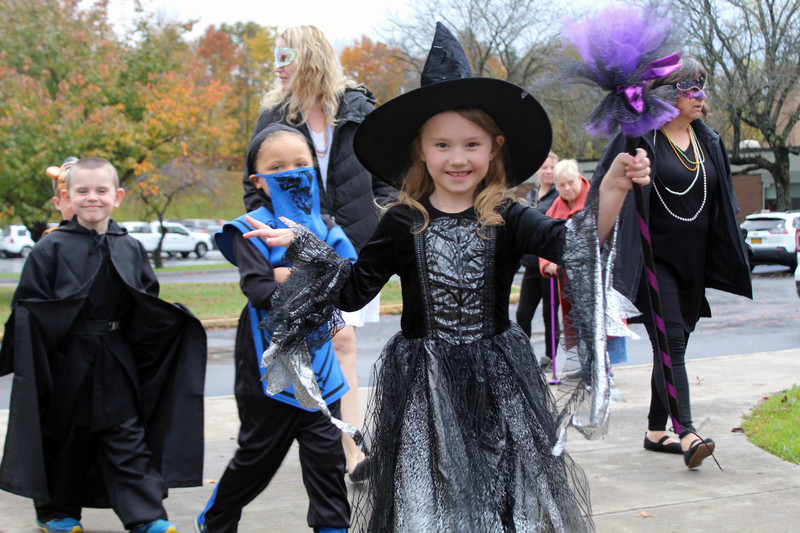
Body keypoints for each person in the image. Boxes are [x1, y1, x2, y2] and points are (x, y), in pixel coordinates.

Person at [243, 23, 651, 531]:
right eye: (442, 145)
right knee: (427, 494)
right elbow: (351, 289)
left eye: (471, 144)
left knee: (503, 489)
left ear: (494, 147)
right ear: (421, 150)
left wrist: (612, 189)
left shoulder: (508, 214)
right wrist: (308, 251)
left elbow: (574, 244)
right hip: (423, 387)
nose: (457, 159)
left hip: (498, 379)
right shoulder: (400, 222)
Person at [0, 157, 207, 533]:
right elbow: (28, 308)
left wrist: (172, 322)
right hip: (66, 361)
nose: (91, 198)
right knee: (65, 438)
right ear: (67, 196)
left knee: (127, 437)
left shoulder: (129, 247)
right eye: (82, 191)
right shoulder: (50, 249)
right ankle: (57, 512)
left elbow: (146, 301)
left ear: (117, 196)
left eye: (100, 191)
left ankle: (146, 518)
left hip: (116, 359)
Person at [242, 25, 394, 476]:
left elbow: (386, 174)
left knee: (343, 343)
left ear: (309, 56)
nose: (277, 65)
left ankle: (338, 443)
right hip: (299, 247)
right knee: (337, 339)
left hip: (352, 247)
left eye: (284, 55)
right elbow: (254, 190)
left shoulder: (359, 107)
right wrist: (272, 242)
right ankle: (348, 448)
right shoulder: (273, 116)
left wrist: (386, 223)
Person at [592, 56, 752, 468]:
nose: (701, 96)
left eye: (702, 85)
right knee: (673, 340)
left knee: (672, 341)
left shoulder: (708, 142)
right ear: (666, 94)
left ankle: (654, 430)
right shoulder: (640, 139)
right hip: (650, 259)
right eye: (690, 87)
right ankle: (687, 431)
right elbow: (604, 187)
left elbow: (723, 206)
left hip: (692, 261)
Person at [196, 124, 353, 533]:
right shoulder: (250, 226)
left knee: (327, 463)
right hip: (271, 371)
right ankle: (216, 521)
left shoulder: (326, 225)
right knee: (256, 461)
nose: (291, 173)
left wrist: (291, 273)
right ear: (258, 181)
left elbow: (348, 281)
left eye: (301, 164)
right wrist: (311, 276)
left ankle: (333, 528)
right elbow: (258, 288)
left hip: (322, 373)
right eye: (277, 167)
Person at [515, 151, 560, 369]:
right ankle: (524, 357)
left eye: (552, 167)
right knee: (523, 313)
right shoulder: (531, 196)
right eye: (545, 168)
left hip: (549, 266)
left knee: (550, 313)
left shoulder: (559, 196)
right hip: (531, 266)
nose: (548, 172)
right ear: (538, 171)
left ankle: (550, 358)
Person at [41, 156, 78, 237]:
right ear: (57, 203)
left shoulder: (106, 236)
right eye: (69, 198)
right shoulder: (50, 240)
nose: (78, 203)